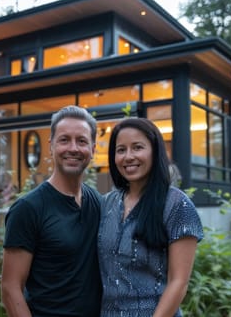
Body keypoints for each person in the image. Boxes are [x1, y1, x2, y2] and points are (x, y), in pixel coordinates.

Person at [1, 105, 103, 316]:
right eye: (64, 140)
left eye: (81, 141)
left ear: (93, 149)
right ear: (51, 146)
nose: (73, 148)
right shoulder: (28, 209)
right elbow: (11, 289)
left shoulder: (99, 203)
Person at [97, 117, 203, 316]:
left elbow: (178, 282)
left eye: (137, 147)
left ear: (155, 151)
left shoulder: (176, 204)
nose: (128, 156)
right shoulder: (107, 203)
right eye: (121, 150)